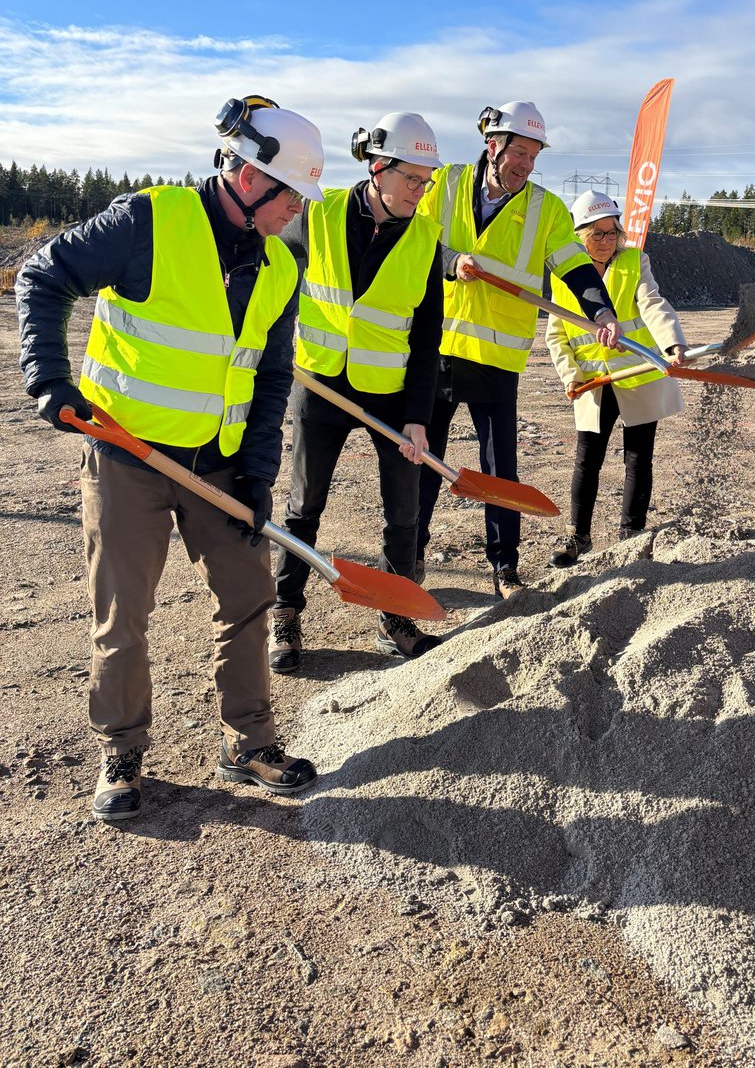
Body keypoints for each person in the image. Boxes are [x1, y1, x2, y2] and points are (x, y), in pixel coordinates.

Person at [15, 95, 325, 821]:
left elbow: (272, 374)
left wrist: (256, 469)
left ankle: (248, 742)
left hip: (217, 461)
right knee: (123, 611)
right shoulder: (148, 221)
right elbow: (43, 276)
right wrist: (48, 377)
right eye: (294, 198)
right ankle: (120, 750)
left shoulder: (281, 267)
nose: (298, 214)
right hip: (127, 454)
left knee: (250, 598)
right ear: (252, 179)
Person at [416, 102, 623, 598]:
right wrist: (451, 260)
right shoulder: (443, 183)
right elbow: (410, 241)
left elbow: (574, 269)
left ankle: (504, 569)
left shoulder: (546, 208)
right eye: (520, 154)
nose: (526, 166)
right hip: (435, 351)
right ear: (494, 146)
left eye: (534, 157)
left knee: (499, 471)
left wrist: (602, 312)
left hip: (495, 361)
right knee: (422, 461)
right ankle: (410, 560)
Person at [269, 112, 444, 670]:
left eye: (426, 180)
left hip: (389, 393)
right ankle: (285, 613)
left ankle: (395, 621)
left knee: (404, 511)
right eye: (411, 179)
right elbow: (269, 266)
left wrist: (417, 417)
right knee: (304, 505)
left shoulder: (426, 239)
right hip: (319, 383)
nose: (420, 191)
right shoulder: (315, 216)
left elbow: (426, 338)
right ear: (377, 168)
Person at [545, 190, 687, 566]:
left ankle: (631, 535)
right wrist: (570, 376)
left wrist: (672, 343)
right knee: (587, 460)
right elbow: (556, 335)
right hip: (594, 383)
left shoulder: (634, 262)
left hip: (639, 377)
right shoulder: (565, 275)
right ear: (579, 235)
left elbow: (653, 304)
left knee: (638, 458)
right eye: (597, 234)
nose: (606, 242)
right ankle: (578, 537)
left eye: (612, 233)